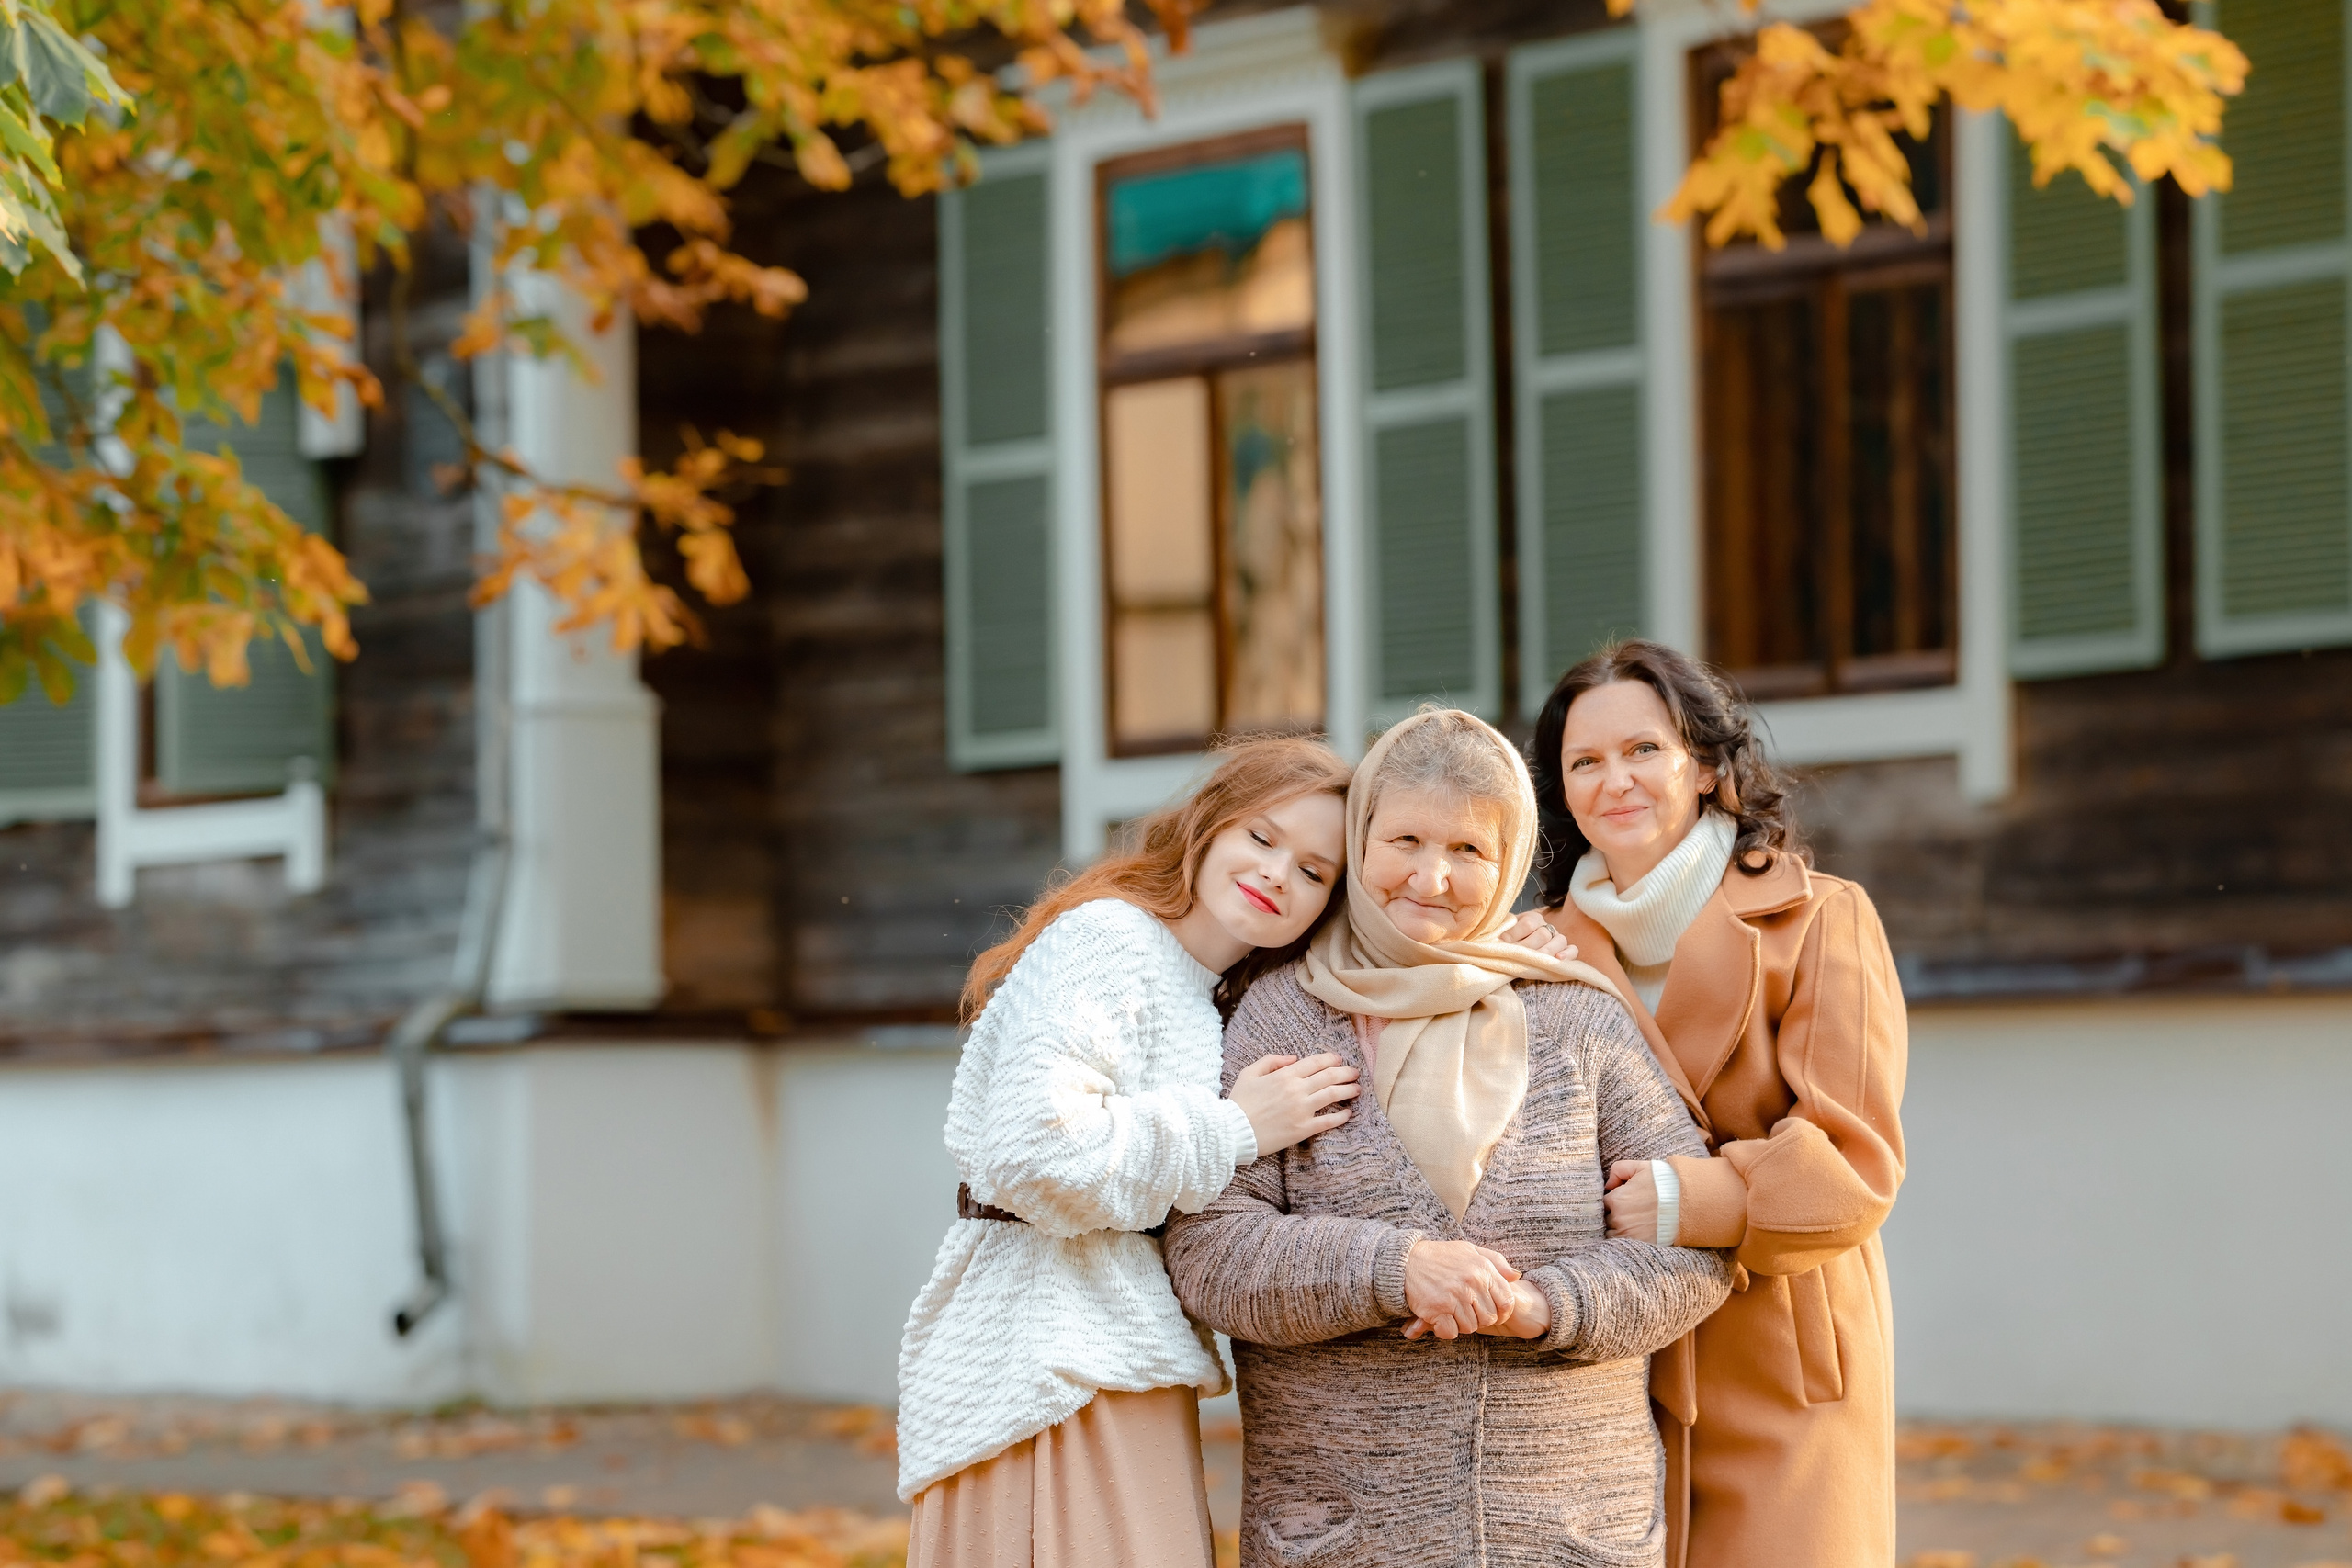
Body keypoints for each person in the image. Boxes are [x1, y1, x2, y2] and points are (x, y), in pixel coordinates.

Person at [1164, 708, 1732, 1568]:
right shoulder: (1282, 1014)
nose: (1431, 876)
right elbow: (1208, 1253)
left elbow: (1693, 1249)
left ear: (1510, 863)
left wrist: (1543, 1306)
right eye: (1405, 840)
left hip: (1571, 1536)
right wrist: (1394, 1270)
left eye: (1469, 849)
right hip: (1343, 1539)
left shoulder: (1579, 1015)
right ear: (1361, 841)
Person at [894, 736, 1413, 1568]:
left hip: (1119, 1354)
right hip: (1045, 1362)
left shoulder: (1218, 996)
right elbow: (1033, 1150)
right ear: (1208, 825)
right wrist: (1235, 1128)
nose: (1278, 873)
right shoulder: (1111, 938)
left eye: (1315, 871)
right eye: (1262, 836)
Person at [1531, 640, 1907, 1568]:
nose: (1615, 780)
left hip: (1781, 1357)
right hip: (1605, 1371)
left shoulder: (1820, 918)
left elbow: (1854, 1162)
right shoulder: (1531, 953)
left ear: (1703, 766)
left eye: (1643, 750)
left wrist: (1690, 1199)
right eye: (1585, 761)